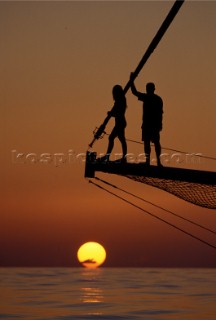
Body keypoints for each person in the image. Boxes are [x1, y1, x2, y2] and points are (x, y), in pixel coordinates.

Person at [130, 73, 163, 166]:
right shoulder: (157, 99)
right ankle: (156, 162)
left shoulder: (149, 98)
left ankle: (154, 162)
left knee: (152, 143)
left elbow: (134, 92)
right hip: (152, 125)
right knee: (152, 143)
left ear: (150, 89)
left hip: (150, 125)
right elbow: (161, 114)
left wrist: (131, 80)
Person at [99, 85, 127, 163]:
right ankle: (123, 157)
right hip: (119, 122)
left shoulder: (121, 100)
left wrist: (111, 114)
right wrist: (112, 113)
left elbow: (119, 113)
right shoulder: (119, 101)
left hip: (120, 123)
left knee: (112, 138)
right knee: (121, 139)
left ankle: (108, 157)